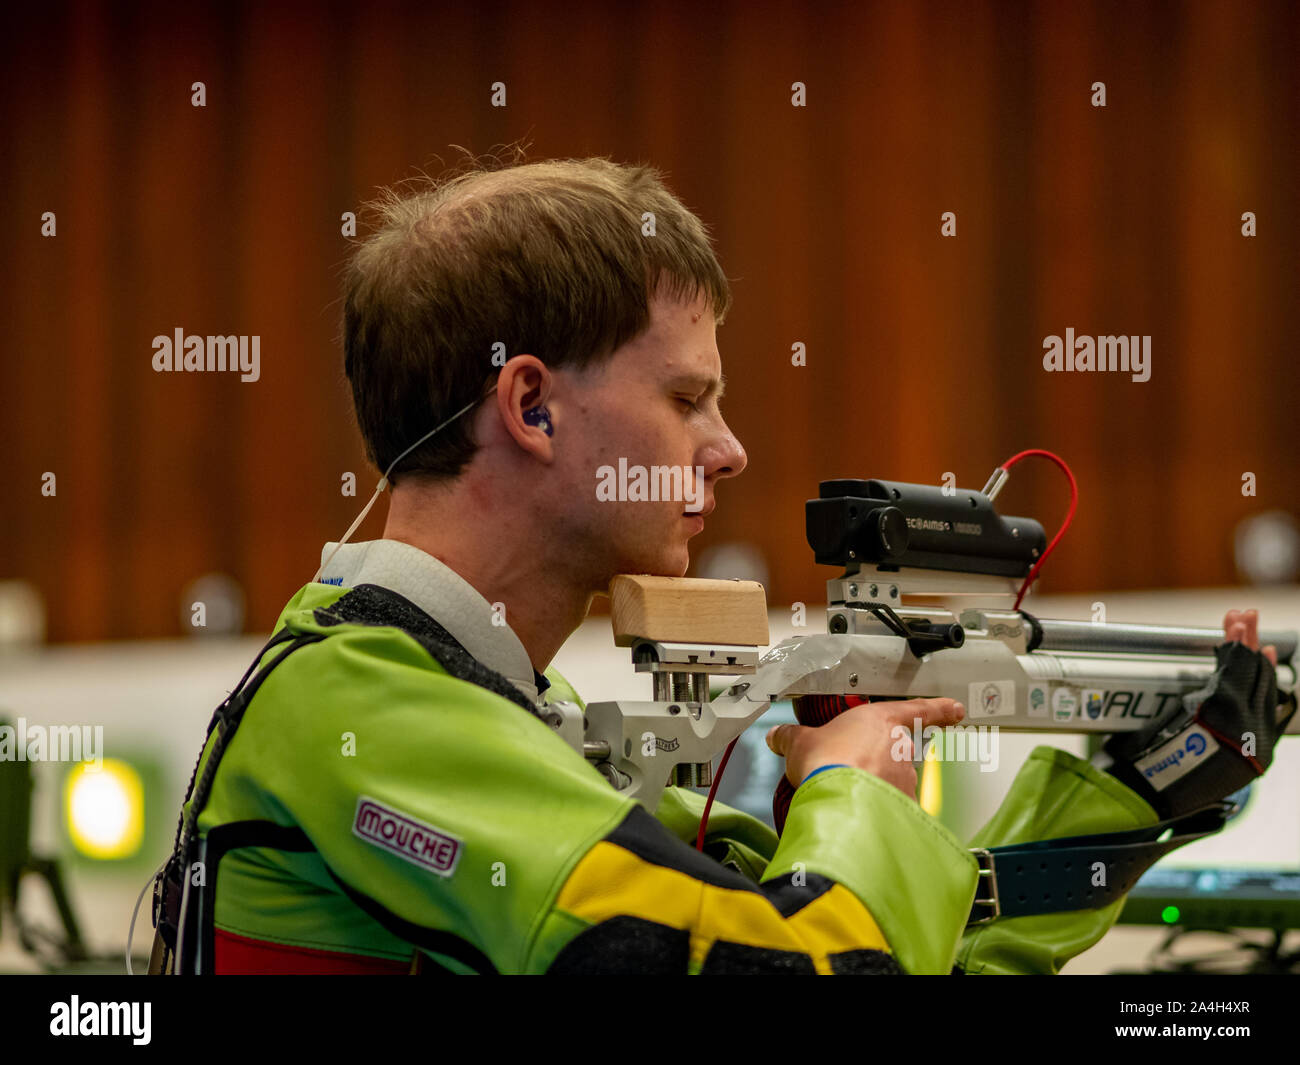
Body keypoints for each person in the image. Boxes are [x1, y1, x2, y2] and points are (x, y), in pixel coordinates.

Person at [153, 156, 1293, 975]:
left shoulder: (496, 710)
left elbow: (897, 944)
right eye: (686, 398)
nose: (729, 448)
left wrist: (1138, 794)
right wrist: (848, 792)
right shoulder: (367, 709)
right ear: (532, 406)